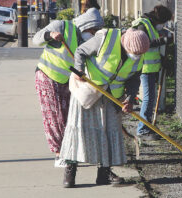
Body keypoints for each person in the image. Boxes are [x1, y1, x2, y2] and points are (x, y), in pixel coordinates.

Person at [59, 28, 150, 188]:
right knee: (78, 129)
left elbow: (134, 78)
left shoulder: (139, 54)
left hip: (112, 96)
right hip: (88, 89)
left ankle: (104, 172)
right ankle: (70, 171)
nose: (135, 56)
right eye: (133, 53)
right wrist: (79, 69)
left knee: (110, 131)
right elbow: (80, 51)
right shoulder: (105, 39)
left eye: (139, 54)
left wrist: (129, 99)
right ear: (124, 43)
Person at [33, 8, 104, 167]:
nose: (93, 34)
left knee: (67, 117)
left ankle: (69, 151)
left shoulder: (85, 41)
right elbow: (36, 39)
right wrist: (49, 35)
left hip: (66, 81)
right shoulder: (62, 26)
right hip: (47, 75)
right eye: (93, 30)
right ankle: (59, 155)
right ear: (86, 25)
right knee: (54, 117)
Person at [132, 5, 173, 141]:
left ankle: (147, 126)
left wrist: (161, 59)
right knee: (149, 99)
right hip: (145, 67)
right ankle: (143, 130)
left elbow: (152, 48)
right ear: (158, 19)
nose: (163, 25)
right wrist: (164, 40)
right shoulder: (143, 25)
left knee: (151, 98)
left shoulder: (149, 24)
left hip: (151, 67)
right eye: (163, 22)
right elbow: (144, 44)